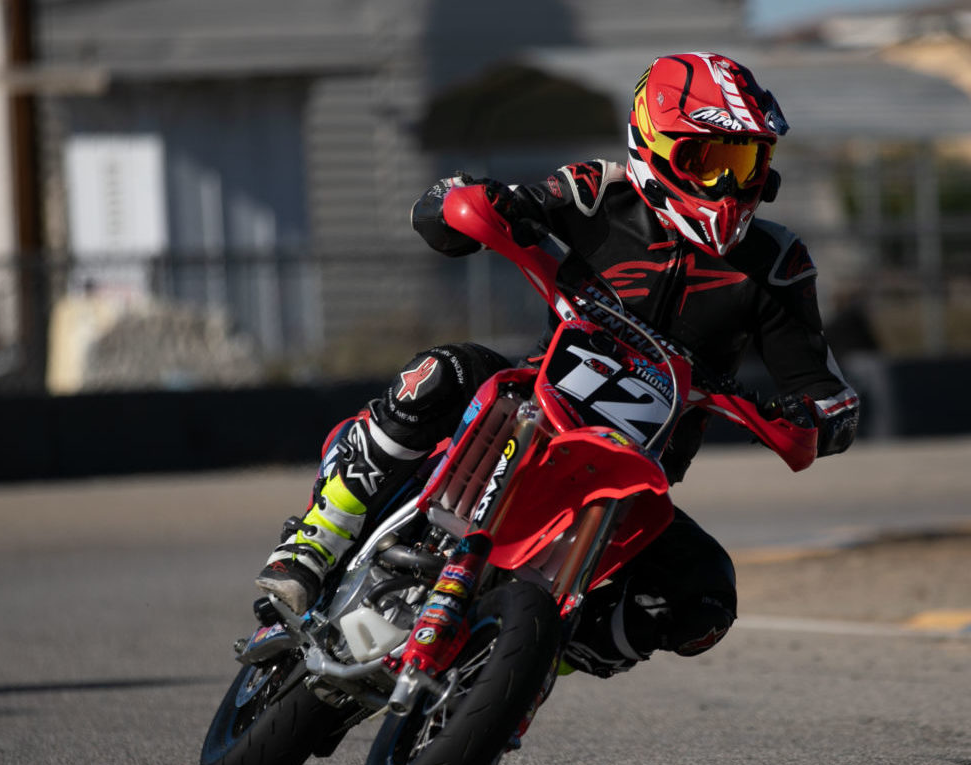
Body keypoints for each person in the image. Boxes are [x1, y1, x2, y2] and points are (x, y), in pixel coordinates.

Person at [256, 51, 859, 677]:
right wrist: (476, 203)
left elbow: (825, 392)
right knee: (446, 370)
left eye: (746, 162)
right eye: (708, 160)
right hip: (534, 412)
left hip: (630, 478)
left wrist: (817, 417)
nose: (730, 186)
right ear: (653, 145)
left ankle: (532, 663)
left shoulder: (777, 263)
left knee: (704, 597)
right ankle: (316, 541)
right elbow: (444, 213)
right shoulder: (595, 194)